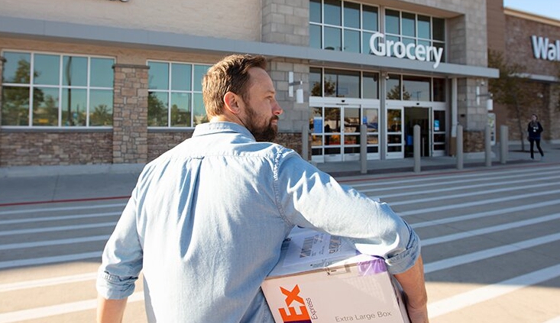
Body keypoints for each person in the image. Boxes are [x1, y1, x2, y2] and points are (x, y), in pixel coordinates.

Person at [96, 54, 429, 323]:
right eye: (269, 98)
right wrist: (417, 307)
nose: (278, 108)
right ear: (234, 103)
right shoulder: (271, 164)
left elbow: (115, 271)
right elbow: (389, 231)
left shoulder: (154, 171)